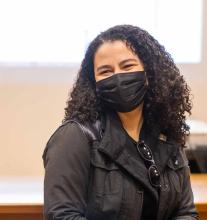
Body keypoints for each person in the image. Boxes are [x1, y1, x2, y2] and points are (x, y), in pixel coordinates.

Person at [42, 24, 199, 220]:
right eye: (106, 71)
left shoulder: (167, 134)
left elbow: (185, 213)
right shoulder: (75, 136)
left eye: (127, 66)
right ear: (94, 83)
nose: (117, 76)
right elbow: (61, 215)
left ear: (149, 73)